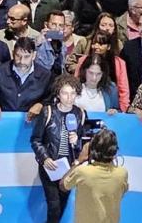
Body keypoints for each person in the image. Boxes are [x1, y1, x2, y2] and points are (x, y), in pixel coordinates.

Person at [31, 74, 87, 223]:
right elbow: (36, 140)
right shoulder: (48, 112)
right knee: (53, 205)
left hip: (69, 168)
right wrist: (45, 158)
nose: (69, 97)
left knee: (62, 205)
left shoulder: (80, 113)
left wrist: (78, 140)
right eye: (65, 93)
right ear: (58, 93)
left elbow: (84, 143)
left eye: (73, 93)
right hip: (50, 166)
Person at [59, 129, 129, 223]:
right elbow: (122, 193)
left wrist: (79, 161)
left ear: (92, 149)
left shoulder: (82, 172)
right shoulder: (122, 173)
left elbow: (63, 185)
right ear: (114, 151)